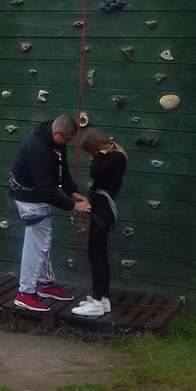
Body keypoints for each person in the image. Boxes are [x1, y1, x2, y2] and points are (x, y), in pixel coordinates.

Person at [9, 114, 91, 312]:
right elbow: (46, 188)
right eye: (66, 139)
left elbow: (62, 170)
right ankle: (25, 293)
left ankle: (45, 284)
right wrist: (72, 205)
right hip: (30, 198)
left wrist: (72, 192)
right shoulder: (38, 149)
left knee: (44, 242)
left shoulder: (55, 142)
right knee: (35, 246)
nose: (67, 143)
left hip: (39, 197)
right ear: (56, 132)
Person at [71, 128, 127, 317]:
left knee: (96, 255)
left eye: (91, 151)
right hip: (101, 207)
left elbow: (95, 173)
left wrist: (99, 155)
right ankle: (102, 299)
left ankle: (96, 302)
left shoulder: (116, 157)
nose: (91, 156)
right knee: (99, 254)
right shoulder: (111, 157)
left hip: (104, 208)